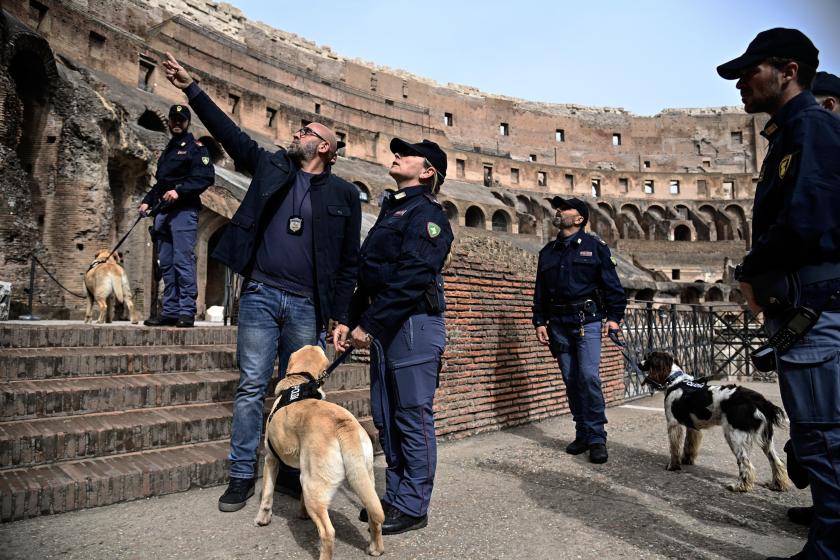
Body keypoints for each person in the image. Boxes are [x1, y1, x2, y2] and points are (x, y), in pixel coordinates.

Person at [161, 53, 362, 512]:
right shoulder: (272, 167)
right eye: (299, 131)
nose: (297, 134)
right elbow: (230, 133)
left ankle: (290, 470)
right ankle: (240, 473)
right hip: (260, 295)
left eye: (307, 132)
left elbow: (349, 262)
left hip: (308, 304)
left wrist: (340, 317)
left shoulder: (345, 195)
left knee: (301, 389)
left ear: (327, 147)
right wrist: (192, 87)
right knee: (252, 384)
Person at [718, 28, 840, 560]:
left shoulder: (811, 127)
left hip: (813, 307)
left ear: (788, 72)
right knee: (818, 435)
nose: (742, 82)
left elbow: (807, 219)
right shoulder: (791, 132)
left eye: (752, 71)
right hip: (800, 305)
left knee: (823, 437)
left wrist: (751, 269)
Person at [334, 138, 453, 535]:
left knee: (411, 417)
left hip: (413, 325)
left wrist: (370, 324)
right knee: (386, 417)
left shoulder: (427, 215)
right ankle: (397, 494)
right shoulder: (394, 209)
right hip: (387, 325)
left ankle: (414, 505)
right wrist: (349, 321)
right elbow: (369, 277)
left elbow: (412, 278)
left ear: (427, 171)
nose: (396, 155)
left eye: (407, 153)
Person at [532, 196, 626, 464]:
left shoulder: (595, 247)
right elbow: (540, 291)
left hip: (588, 321)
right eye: (557, 208)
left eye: (564, 208)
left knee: (588, 377)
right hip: (558, 324)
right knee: (571, 380)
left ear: (580, 218)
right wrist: (539, 321)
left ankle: (597, 437)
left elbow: (612, 286)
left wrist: (614, 318)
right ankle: (582, 432)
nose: (558, 211)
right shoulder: (547, 252)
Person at [139, 104, 214, 328]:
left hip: (184, 211)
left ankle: (186, 312)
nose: (177, 123)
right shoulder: (168, 150)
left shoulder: (196, 148)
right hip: (163, 213)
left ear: (187, 122)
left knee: (183, 261)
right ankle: (169, 312)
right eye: (174, 119)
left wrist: (179, 190)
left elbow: (204, 177)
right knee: (167, 264)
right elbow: (161, 184)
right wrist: (146, 201)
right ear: (170, 122)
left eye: (181, 119)